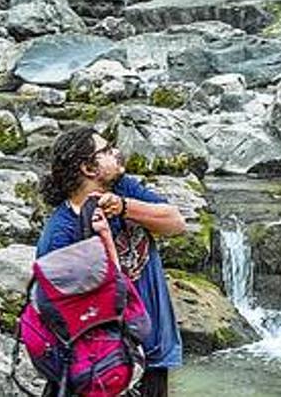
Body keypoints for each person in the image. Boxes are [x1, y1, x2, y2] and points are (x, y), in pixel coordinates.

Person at [36, 125, 187, 396]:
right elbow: (60, 312)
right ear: (88, 168)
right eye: (106, 150)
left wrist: (125, 207)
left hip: (153, 350)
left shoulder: (122, 188)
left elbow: (176, 223)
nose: (116, 152)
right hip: (105, 362)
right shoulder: (61, 232)